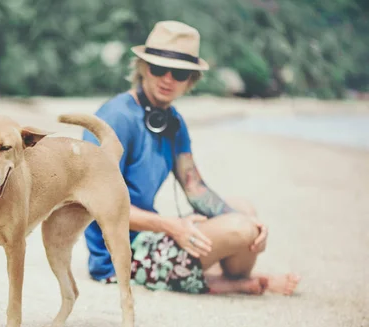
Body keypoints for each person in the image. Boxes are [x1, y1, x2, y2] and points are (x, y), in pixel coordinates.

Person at [83, 21, 300, 295]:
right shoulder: (115, 117)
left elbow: (195, 189)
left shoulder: (173, 123)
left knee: (244, 212)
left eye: (180, 72)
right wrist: (171, 226)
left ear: (191, 80)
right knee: (241, 230)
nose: (168, 79)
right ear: (142, 68)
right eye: (159, 68)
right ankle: (228, 283)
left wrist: (255, 226)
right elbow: (99, 203)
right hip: (118, 255)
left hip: (151, 235)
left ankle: (228, 279)